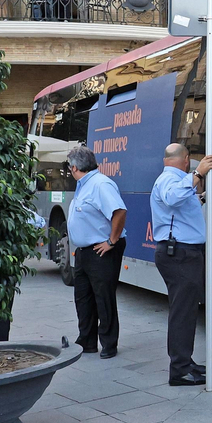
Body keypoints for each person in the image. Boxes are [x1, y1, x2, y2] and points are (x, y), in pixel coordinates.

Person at [150, 143, 212, 387]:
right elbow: (172, 198)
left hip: (180, 252)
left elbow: (179, 210)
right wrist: (199, 174)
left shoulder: (176, 181)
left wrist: (201, 197)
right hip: (179, 253)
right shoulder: (171, 179)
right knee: (183, 313)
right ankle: (179, 369)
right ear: (186, 160)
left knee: (185, 310)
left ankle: (184, 362)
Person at [66, 145, 126, 358]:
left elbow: (119, 211)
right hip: (84, 250)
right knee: (83, 296)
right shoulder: (84, 184)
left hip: (101, 249)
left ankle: (109, 343)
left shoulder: (100, 184)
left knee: (103, 297)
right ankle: (86, 340)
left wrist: (111, 241)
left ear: (74, 167)